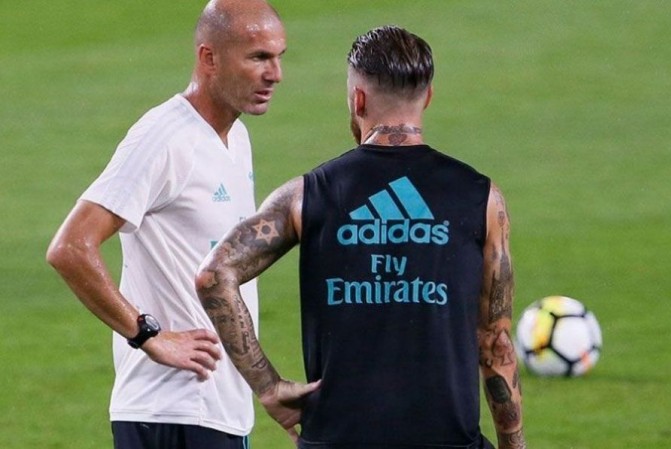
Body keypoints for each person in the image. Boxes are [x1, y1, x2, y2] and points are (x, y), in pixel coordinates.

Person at [195, 25, 526, 449]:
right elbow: (495, 343)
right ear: (427, 97)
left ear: (358, 99)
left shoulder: (306, 196)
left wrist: (269, 386)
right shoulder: (481, 198)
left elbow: (214, 275)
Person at [45, 0, 286, 448]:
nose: (275, 74)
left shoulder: (237, 137)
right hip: (172, 412)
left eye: (278, 57)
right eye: (258, 57)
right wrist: (148, 334)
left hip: (218, 411)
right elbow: (71, 247)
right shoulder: (165, 137)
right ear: (209, 58)